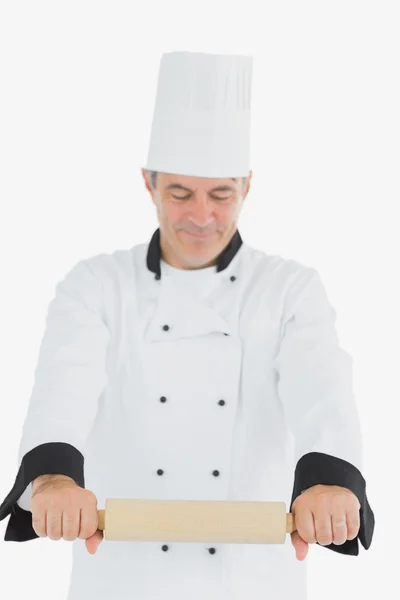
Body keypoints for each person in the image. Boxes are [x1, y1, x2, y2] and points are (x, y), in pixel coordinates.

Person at [0, 50, 374, 600]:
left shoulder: (290, 288)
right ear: (147, 183)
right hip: (121, 580)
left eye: (221, 194)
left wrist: (329, 480)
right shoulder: (96, 285)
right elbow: (64, 385)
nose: (201, 216)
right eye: (180, 193)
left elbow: (321, 386)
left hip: (254, 581)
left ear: (247, 187)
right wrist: (54, 478)